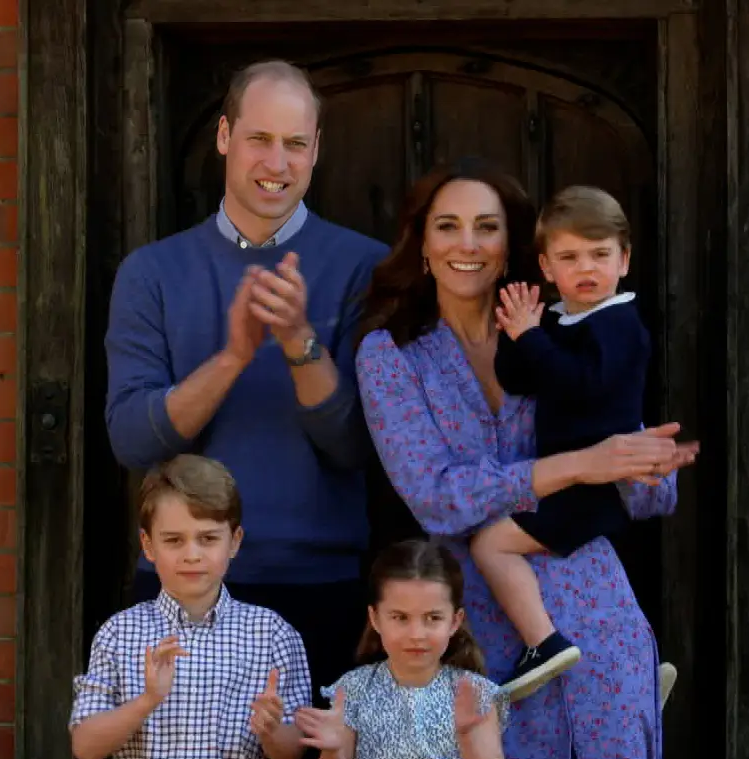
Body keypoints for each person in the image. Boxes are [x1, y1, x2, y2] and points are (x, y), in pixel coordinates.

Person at [354, 158, 696, 759]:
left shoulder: (562, 330)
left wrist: (646, 466)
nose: (468, 244)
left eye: (486, 227)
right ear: (422, 245)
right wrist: (580, 465)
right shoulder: (392, 355)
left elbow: (646, 491)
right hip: (478, 629)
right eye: (448, 226)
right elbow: (436, 498)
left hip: (597, 611)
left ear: (510, 246)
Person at [103, 59, 388, 706]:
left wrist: (299, 344)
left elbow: (357, 447)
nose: (277, 163)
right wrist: (233, 356)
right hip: (182, 589)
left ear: (317, 149)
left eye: (295, 144)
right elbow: (132, 441)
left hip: (322, 587)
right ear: (225, 135)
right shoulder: (151, 273)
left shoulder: (366, 269)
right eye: (260, 139)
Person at [469, 185, 671, 700]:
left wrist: (532, 337)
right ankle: (634, 674)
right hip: (569, 479)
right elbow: (519, 378)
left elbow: (582, 386)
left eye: (600, 255)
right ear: (546, 266)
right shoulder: (563, 320)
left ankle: (544, 644)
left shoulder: (620, 325)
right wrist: (517, 332)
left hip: (594, 486)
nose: (586, 268)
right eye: (569, 257)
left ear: (624, 261)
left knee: (490, 544)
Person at [69, 454, 311, 759]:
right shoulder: (119, 633)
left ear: (234, 541)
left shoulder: (273, 634)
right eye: (174, 540)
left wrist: (272, 731)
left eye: (208, 538)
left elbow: (296, 750)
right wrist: (147, 700)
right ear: (148, 545)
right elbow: (85, 746)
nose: (192, 555)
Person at [294, 539, 508, 759]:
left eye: (433, 618)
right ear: (375, 618)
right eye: (400, 617)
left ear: (454, 622)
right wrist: (334, 750)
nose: (416, 634)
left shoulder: (475, 695)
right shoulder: (353, 690)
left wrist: (469, 740)